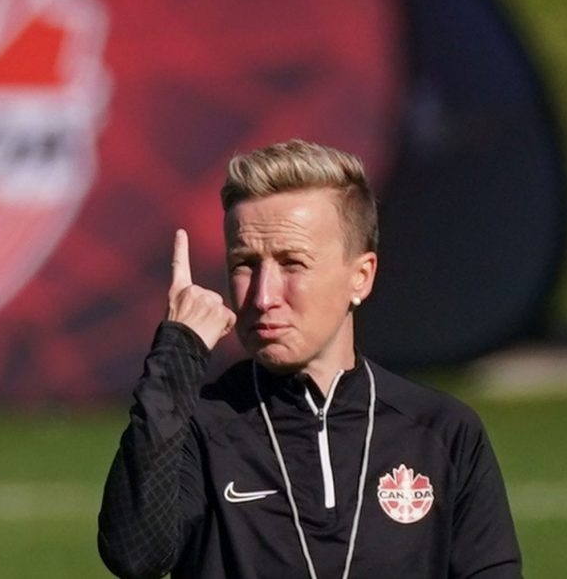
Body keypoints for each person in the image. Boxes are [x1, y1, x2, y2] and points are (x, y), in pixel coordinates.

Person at [97, 139, 522, 579]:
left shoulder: (442, 432)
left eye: (292, 263)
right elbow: (135, 556)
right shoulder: (196, 427)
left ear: (361, 276)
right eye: (245, 264)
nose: (262, 297)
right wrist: (176, 356)